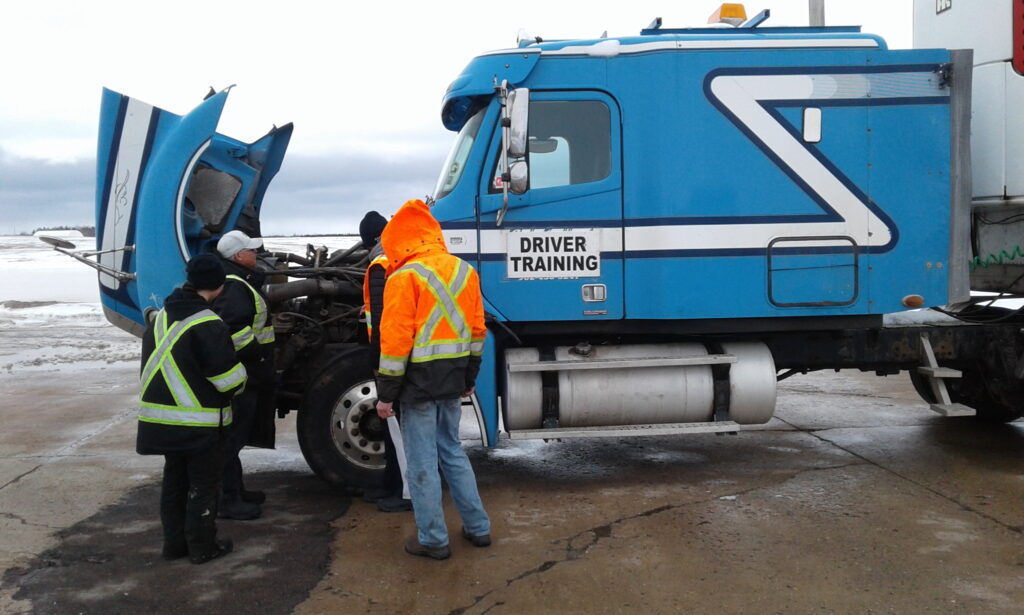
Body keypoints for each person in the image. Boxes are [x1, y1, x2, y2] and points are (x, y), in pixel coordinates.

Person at [374, 199, 491, 560]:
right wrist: (469, 376)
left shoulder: (403, 277)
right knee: (452, 451)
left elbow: (395, 343)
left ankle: (433, 539)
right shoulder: (463, 271)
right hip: (453, 380)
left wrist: (386, 395)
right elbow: (476, 330)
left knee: (422, 461)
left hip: (417, 386)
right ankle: (478, 527)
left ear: (398, 240)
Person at [137, 254, 246, 564]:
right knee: (203, 485)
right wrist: (244, 378)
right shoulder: (208, 323)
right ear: (219, 286)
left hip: (159, 420)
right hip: (198, 423)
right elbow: (228, 381)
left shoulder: (160, 318)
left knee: (174, 482)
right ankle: (202, 548)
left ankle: (174, 546)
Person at [213, 230, 276, 520]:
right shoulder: (235, 285)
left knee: (235, 437)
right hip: (244, 376)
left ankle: (235, 490)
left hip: (249, 374)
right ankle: (227, 500)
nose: (256, 253)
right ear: (238, 256)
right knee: (232, 439)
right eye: (251, 250)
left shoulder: (235, 281)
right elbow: (234, 329)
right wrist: (258, 355)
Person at [360, 211, 412, 513]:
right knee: (396, 428)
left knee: (397, 430)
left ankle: (404, 494)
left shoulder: (381, 265)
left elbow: (383, 321)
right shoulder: (399, 259)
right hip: (401, 354)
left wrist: (380, 364)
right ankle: (391, 485)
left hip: (391, 357)